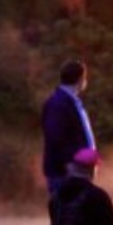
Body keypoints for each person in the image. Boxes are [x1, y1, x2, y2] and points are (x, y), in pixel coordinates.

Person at [42, 59, 96, 195]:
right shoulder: (58, 103)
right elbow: (55, 137)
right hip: (67, 174)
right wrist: (70, 164)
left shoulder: (72, 102)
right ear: (80, 79)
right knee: (68, 208)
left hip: (79, 172)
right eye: (85, 77)